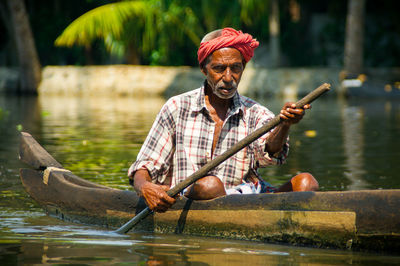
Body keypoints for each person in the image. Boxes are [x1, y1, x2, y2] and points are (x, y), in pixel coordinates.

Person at [128, 28, 319, 213]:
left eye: (235, 68)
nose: (228, 77)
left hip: (245, 199)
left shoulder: (254, 112)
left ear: (243, 68)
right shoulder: (177, 107)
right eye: (219, 68)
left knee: (306, 182)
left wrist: (284, 124)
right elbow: (146, 164)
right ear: (204, 69)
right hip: (192, 199)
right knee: (209, 185)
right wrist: (145, 187)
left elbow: (270, 153)